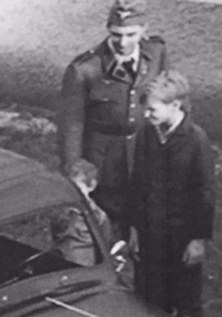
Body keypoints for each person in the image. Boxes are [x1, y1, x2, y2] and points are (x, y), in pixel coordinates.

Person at [58, 0, 168, 242]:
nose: (123, 42)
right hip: (103, 160)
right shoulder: (85, 69)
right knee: (104, 224)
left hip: (142, 151)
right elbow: (71, 125)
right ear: (108, 29)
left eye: (131, 34)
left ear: (144, 30)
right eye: (116, 34)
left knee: (144, 215)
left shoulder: (155, 53)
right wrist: (75, 170)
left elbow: (168, 95)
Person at [129, 70, 215, 317]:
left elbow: (205, 192)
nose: (146, 115)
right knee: (150, 300)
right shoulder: (146, 135)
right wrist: (134, 228)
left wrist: (198, 239)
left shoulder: (196, 140)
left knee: (187, 303)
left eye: (152, 109)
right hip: (150, 233)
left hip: (181, 237)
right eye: (145, 109)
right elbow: (138, 183)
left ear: (175, 105)